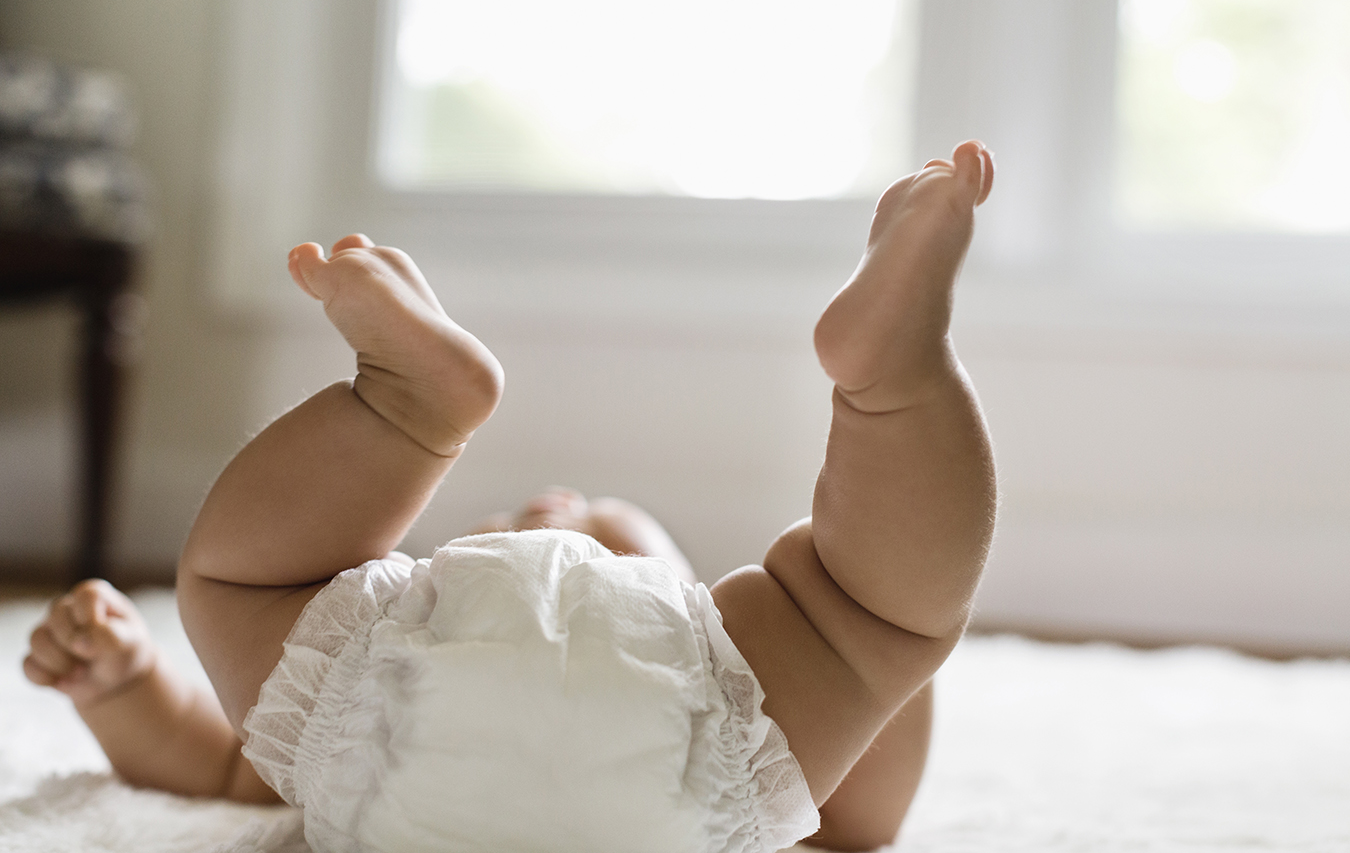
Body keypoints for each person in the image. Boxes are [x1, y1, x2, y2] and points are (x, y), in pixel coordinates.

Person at [24, 141, 997, 852]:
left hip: (402, 749)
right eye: (532, 524)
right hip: (677, 783)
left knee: (237, 581)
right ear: (704, 625)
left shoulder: (385, 695)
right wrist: (864, 653)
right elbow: (867, 808)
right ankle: (898, 388)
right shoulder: (741, 731)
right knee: (882, 615)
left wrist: (125, 693)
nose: (556, 522)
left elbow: (218, 769)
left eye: (589, 522)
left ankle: (405, 412)